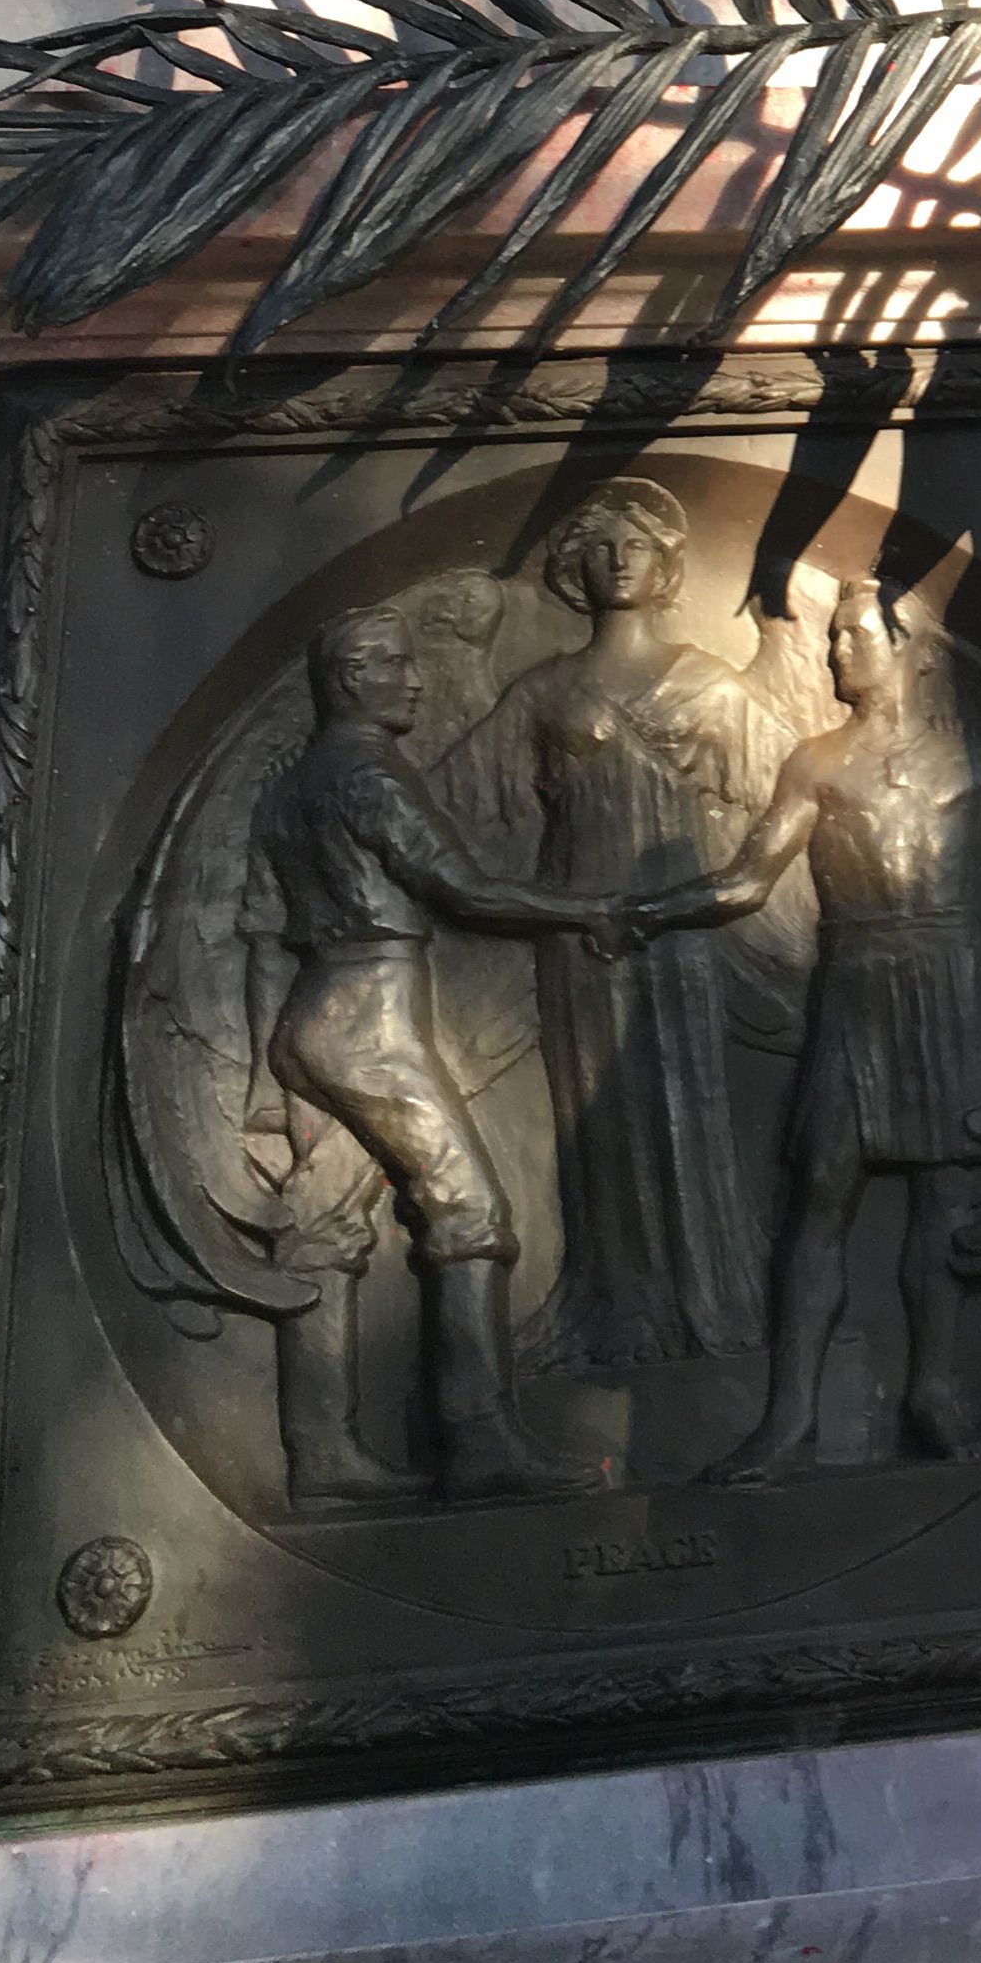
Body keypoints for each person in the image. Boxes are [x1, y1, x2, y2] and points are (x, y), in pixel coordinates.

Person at [615, 580, 981, 1476]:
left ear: (909, 643)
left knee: (941, 1205)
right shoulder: (817, 760)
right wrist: (642, 912)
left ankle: (934, 1393)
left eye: (853, 635)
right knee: (821, 1200)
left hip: (949, 988)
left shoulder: (973, 761)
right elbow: (747, 879)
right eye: (834, 637)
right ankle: (788, 1420)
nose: (838, 652)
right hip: (859, 985)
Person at [240, 603, 614, 1504]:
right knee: (471, 1210)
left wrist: (267, 1062)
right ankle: (478, 1438)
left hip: (313, 1011)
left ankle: (320, 1452)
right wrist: (590, 909)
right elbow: (465, 888)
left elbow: (260, 929)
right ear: (351, 680)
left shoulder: (289, 785)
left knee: (324, 1225)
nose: (417, 679)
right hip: (371, 1017)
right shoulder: (368, 774)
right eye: (397, 665)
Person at [463, 479, 779, 1372]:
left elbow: (788, 790)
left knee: (684, 1100)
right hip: (577, 923)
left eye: (634, 545)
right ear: (573, 569)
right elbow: (461, 795)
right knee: (595, 1116)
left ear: (667, 564)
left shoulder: (707, 684)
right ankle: (613, 1305)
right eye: (598, 548)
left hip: (675, 916)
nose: (617, 560)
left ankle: (709, 1302)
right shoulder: (544, 691)